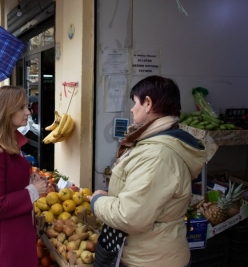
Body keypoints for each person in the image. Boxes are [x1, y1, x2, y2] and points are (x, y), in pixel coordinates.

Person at [88, 75, 207, 267]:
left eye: (135, 103)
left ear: (148, 103)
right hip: (152, 254)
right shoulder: (157, 144)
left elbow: (131, 217)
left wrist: (97, 202)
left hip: (150, 260)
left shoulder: (157, 155)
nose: (133, 109)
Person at [0, 86, 48, 267]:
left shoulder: (8, 143)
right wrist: (33, 191)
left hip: (14, 234)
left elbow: (8, 183)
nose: (28, 112)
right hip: (5, 243)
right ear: (6, 111)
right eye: (22, 107)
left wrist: (29, 180)